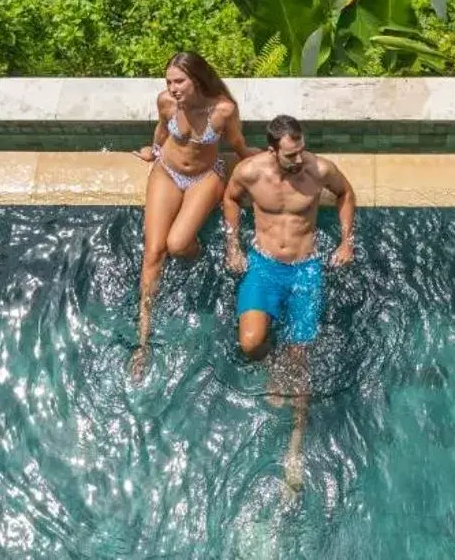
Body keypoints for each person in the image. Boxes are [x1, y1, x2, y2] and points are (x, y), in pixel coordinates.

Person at [222, 114, 356, 492]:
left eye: (300, 151)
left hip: (305, 269)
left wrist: (346, 241)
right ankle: (272, 365)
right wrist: (232, 245)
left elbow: (346, 194)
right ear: (271, 150)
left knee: (301, 364)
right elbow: (230, 199)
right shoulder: (250, 172)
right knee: (250, 343)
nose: (299, 160)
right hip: (263, 265)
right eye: (290, 155)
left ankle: (294, 453)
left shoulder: (320, 169)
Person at [131, 52, 254, 382]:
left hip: (205, 176)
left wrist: (250, 161)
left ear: (197, 79)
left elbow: (238, 142)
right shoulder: (167, 103)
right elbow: (161, 133)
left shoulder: (222, 109)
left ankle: (200, 259)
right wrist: (152, 150)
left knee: (179, 244)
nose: (172, 88)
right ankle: (143, 343)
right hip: (167, 172)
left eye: (178, 81)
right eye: (168, 81)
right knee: (154, 252)